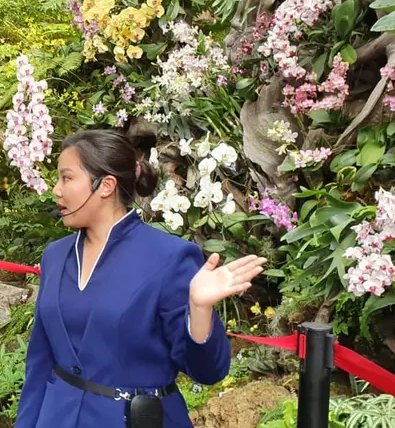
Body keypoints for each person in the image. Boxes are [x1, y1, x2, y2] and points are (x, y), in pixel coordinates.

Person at [15, 129, 267, 428]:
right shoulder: (55, 256)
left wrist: (200, 309)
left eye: (66, 178)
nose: (56, 190)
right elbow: (40, 361)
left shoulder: (170, 257)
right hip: (57, 418)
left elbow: (208, 372)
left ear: (105, 185)